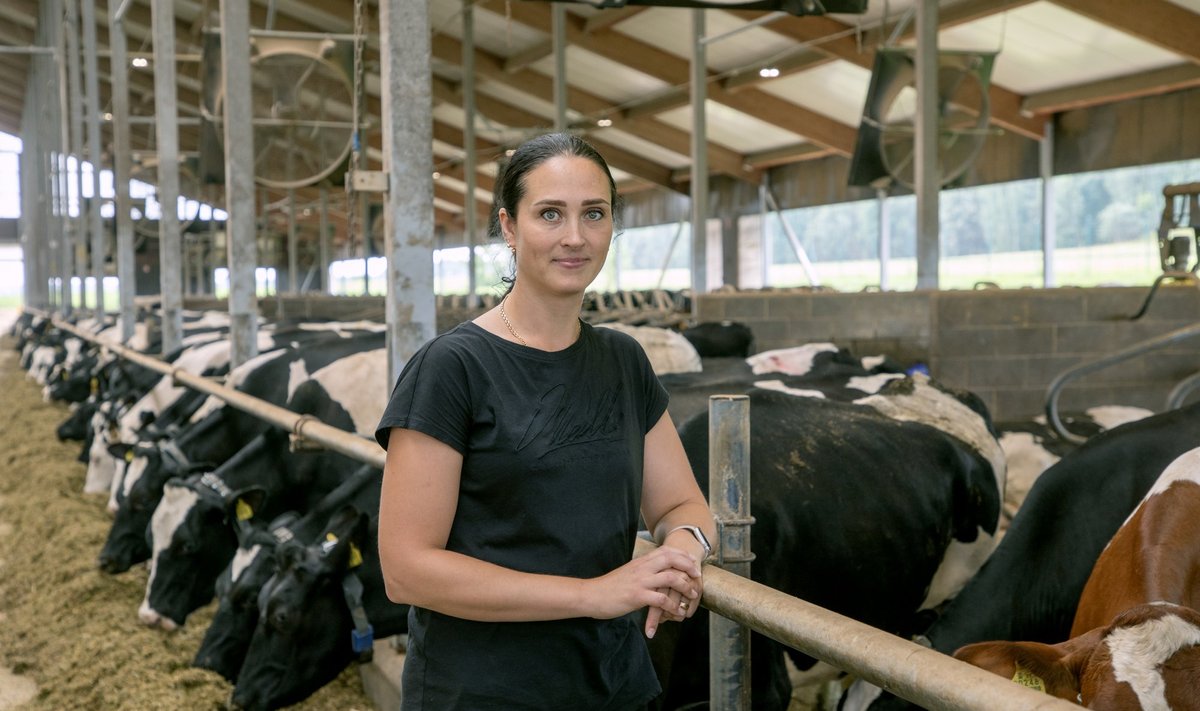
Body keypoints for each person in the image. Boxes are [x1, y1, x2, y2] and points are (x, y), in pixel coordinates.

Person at [375, 131, 717, 710]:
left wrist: (680, 556)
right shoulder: (452, 368)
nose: (575, 237)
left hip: (614, 685)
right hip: (484, 693)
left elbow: (682, 506)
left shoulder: (623, 361)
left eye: (595, 214)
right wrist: (594, 594)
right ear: (509, 227)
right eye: (550, 214)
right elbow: (407, 569)